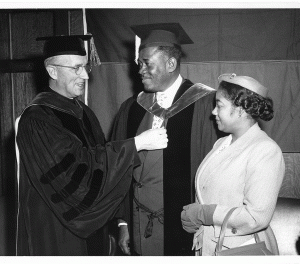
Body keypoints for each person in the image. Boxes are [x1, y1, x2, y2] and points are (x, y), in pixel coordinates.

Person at [15, 34, 168, 256]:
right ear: (52, 71)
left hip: (91, 223)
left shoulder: (84, 112)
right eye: (76, 68)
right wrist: (135, 144)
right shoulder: (37, 119)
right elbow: (73, 174)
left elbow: (100, 169)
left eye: (86, 67)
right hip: (58, 225)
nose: (85, 75)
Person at [111, 23, 220, 256]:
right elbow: (117, 171)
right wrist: (123, 223)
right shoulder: (131, 108)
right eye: (139, 63)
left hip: (188, 229)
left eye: (147, 63)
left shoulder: (206, 106)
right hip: (138, 225)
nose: (140, 70)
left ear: (171, 64)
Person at [181, 73, 285, 256]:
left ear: (241, 110)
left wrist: (206, 214)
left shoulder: (266, 150)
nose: (213, 112)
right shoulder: (221, 143)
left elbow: (256, 217)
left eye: (219, 105)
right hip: (208, 247)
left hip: (238, 250)